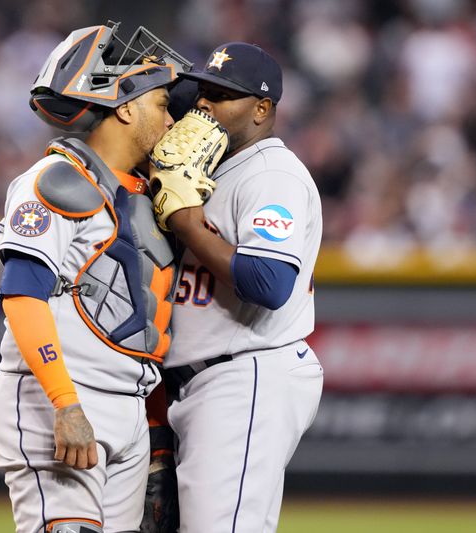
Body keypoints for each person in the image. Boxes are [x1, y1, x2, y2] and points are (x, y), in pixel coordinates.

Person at [0, 22, 191, 533]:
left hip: (128, 409)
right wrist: (65, 405)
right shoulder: (60, 178)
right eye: (162, 103)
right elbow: (21, 293)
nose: (171, 117)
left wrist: (154, 431)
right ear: (124, 106)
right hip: (59, 397)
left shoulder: (148, 196)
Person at [159, 42, 325, 532]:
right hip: (206, 379)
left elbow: (269, 281)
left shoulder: (272, 174)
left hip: (247, 375)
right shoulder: (208, 168)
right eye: (204, 91)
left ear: (262, 109)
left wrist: (188, 225)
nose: (205, 103)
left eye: (224, 95)